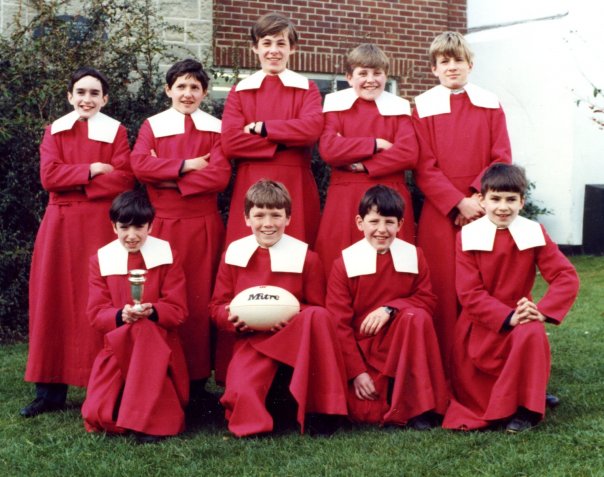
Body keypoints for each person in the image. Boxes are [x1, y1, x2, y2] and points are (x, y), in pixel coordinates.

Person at [21, 67, 135, 417]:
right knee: (52, 300)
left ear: (105, 99)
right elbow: (48, 177)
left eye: (94, 93)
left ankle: (103, 384)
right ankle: (49, 391)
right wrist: (92, 170)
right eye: (80, 92)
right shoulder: (54, 130)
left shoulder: (116, 131)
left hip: (100, 225)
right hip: (59, 225)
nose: (87, 99)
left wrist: (75, 179)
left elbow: (124, 179)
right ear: (70, 96)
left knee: (98, 297)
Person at [443, 164, 579, 432]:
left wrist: (542, 310)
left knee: (531, 331)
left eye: (510, 200)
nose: (502, 207)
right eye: (495, 199)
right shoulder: (466, 237)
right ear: (482, 199)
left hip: (521, 315)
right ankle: (520, 396)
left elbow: (565, 276)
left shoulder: (534, 233)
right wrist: (507, 316)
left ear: (522, 202)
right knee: (479, 403)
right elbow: (470, 293)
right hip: (480, 324)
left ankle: (527, 409)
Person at [210, 180, 348, 437]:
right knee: (242, 393)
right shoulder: (233, 255)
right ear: (247, 219)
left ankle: (323, 412)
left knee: (318, 316)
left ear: (288, 218)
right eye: (259, 215)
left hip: (293, 338)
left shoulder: (308, 258)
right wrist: (232, 320)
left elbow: (315, 307)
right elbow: (217, 305)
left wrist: (288, 315)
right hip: (252, 339)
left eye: (276, 215)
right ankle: (266, 417)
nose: (268, 223)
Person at [130, 59, 231, 403]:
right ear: (168, 89)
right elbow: (140, 166)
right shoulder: (152, 125)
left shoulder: (216, 127)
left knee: (199, 301)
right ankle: (162, 376)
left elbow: (219, 176)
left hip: (203, 225)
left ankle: (199, 383)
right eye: (181, 86)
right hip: (163, 225)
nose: (187, 94)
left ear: (204, 92)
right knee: (163, 297)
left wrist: (167, 175)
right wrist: (189, 165)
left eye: (195, 87)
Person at [412, 32, 512, 375]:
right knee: (441, 288)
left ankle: (488, 368)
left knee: (486, 287)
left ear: (470, 64)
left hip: (483, 206)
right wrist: (456, 203)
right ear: (434, 69)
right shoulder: (421, 107)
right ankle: (443, 373)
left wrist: (476, 199)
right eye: (444, 62)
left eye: (457, 60)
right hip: (441, 212)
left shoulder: (490, 103)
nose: (451, 67)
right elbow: (422, 165)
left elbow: (501, 157)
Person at [326, 185, 448, 429]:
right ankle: (396, 399)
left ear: (400, 225)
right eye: (374, 221)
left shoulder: (415, 256)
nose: (382, 230)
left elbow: (427, 299)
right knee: (366, 412)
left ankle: (420, 408)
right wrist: (357, 373)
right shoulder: (343, 264)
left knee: (417, 317)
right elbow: (338, 324)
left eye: (389, 222)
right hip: (365, 350)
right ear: (360, 223)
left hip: (403, 343)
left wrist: (390, 308)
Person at [82, 190, 189, 443]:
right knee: (99, 416)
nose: (132, 235)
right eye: (124, 227)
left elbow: (179, 310)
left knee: (144, 330)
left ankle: (152, 421)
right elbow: (96, 313)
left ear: (151, 226)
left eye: (139, 227)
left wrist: (153, 312)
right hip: (118, 346)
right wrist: (121, 315)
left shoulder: (167, 254)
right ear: (113, 227)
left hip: (159, 344)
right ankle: (137, 414)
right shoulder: (99, 259)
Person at [221, 12, 324, 247]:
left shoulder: (306, 87)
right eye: (266, 43)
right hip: (250, 181)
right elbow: (230, 142)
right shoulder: (240, 90)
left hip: (295, 182)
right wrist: (288, 140)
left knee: (297, 255)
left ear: (292, 48)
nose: (273, 50)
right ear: (255, 48)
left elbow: (311, 130)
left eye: (281, 43)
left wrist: (262, 128)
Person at [316, 44, 418, 276]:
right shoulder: (336, 107)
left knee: (393, 268)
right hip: (345, 197)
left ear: (386, 75)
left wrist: (363, 164)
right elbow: (329, 150)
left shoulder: (399, 109)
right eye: (363, 73)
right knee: (340, 262)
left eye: (377, 73)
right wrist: (377, 144)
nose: (370, 80)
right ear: (349, 78)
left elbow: (409, 153)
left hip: (391, 194)